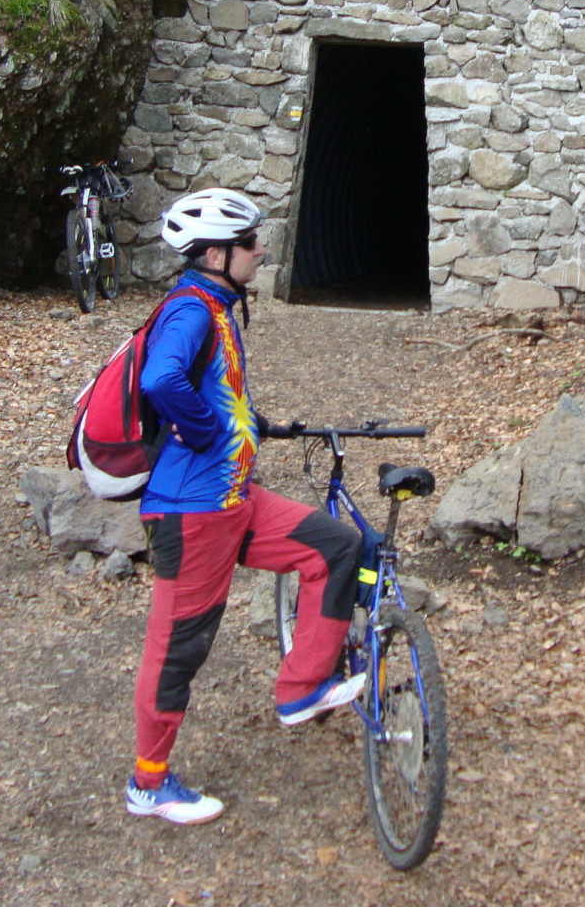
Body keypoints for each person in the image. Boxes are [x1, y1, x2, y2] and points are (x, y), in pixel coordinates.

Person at [125, 188, 364, 826]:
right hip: (193, 511)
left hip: (233, 499)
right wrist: (208, 432)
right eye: (250, 242)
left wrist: (253, 425)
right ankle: (149, 783)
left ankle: (302, 688)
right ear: (215, 255)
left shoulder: (217, 306)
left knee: (335, 546)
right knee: (178, 647)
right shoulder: (191, 310)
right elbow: (160, 379)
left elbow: (212, 386)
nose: (261, 251)